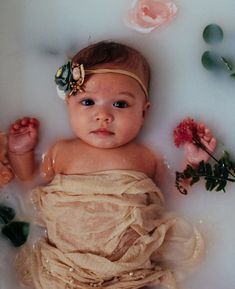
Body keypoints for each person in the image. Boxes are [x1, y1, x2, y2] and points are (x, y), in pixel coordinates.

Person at [8, 41, 216, 289]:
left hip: (128, 273)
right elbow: (29, 184)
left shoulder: (146, 157)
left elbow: (173, 197)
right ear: (68, 104)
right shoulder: (60, 151)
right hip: (65, 268)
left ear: (144, 112)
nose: (103, 115)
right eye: (88, 102)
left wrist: (191, 162)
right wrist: (21, 151)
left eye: (120, 104)